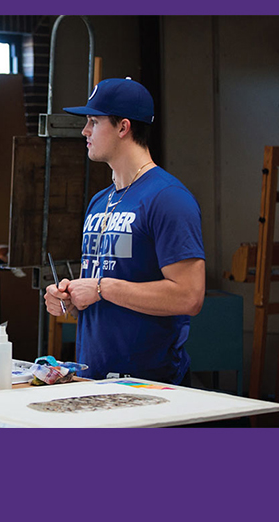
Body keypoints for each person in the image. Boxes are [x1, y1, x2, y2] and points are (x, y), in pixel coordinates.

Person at [44, 78, 205, 385]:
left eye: (93, 121)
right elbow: (106, 292)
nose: (84, 131)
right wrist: (70, 300)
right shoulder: (99, 202)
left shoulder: (169, 198)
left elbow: (189, 296)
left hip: (151, 383)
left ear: (123, 128)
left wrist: (102, 288)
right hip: (93, 377)